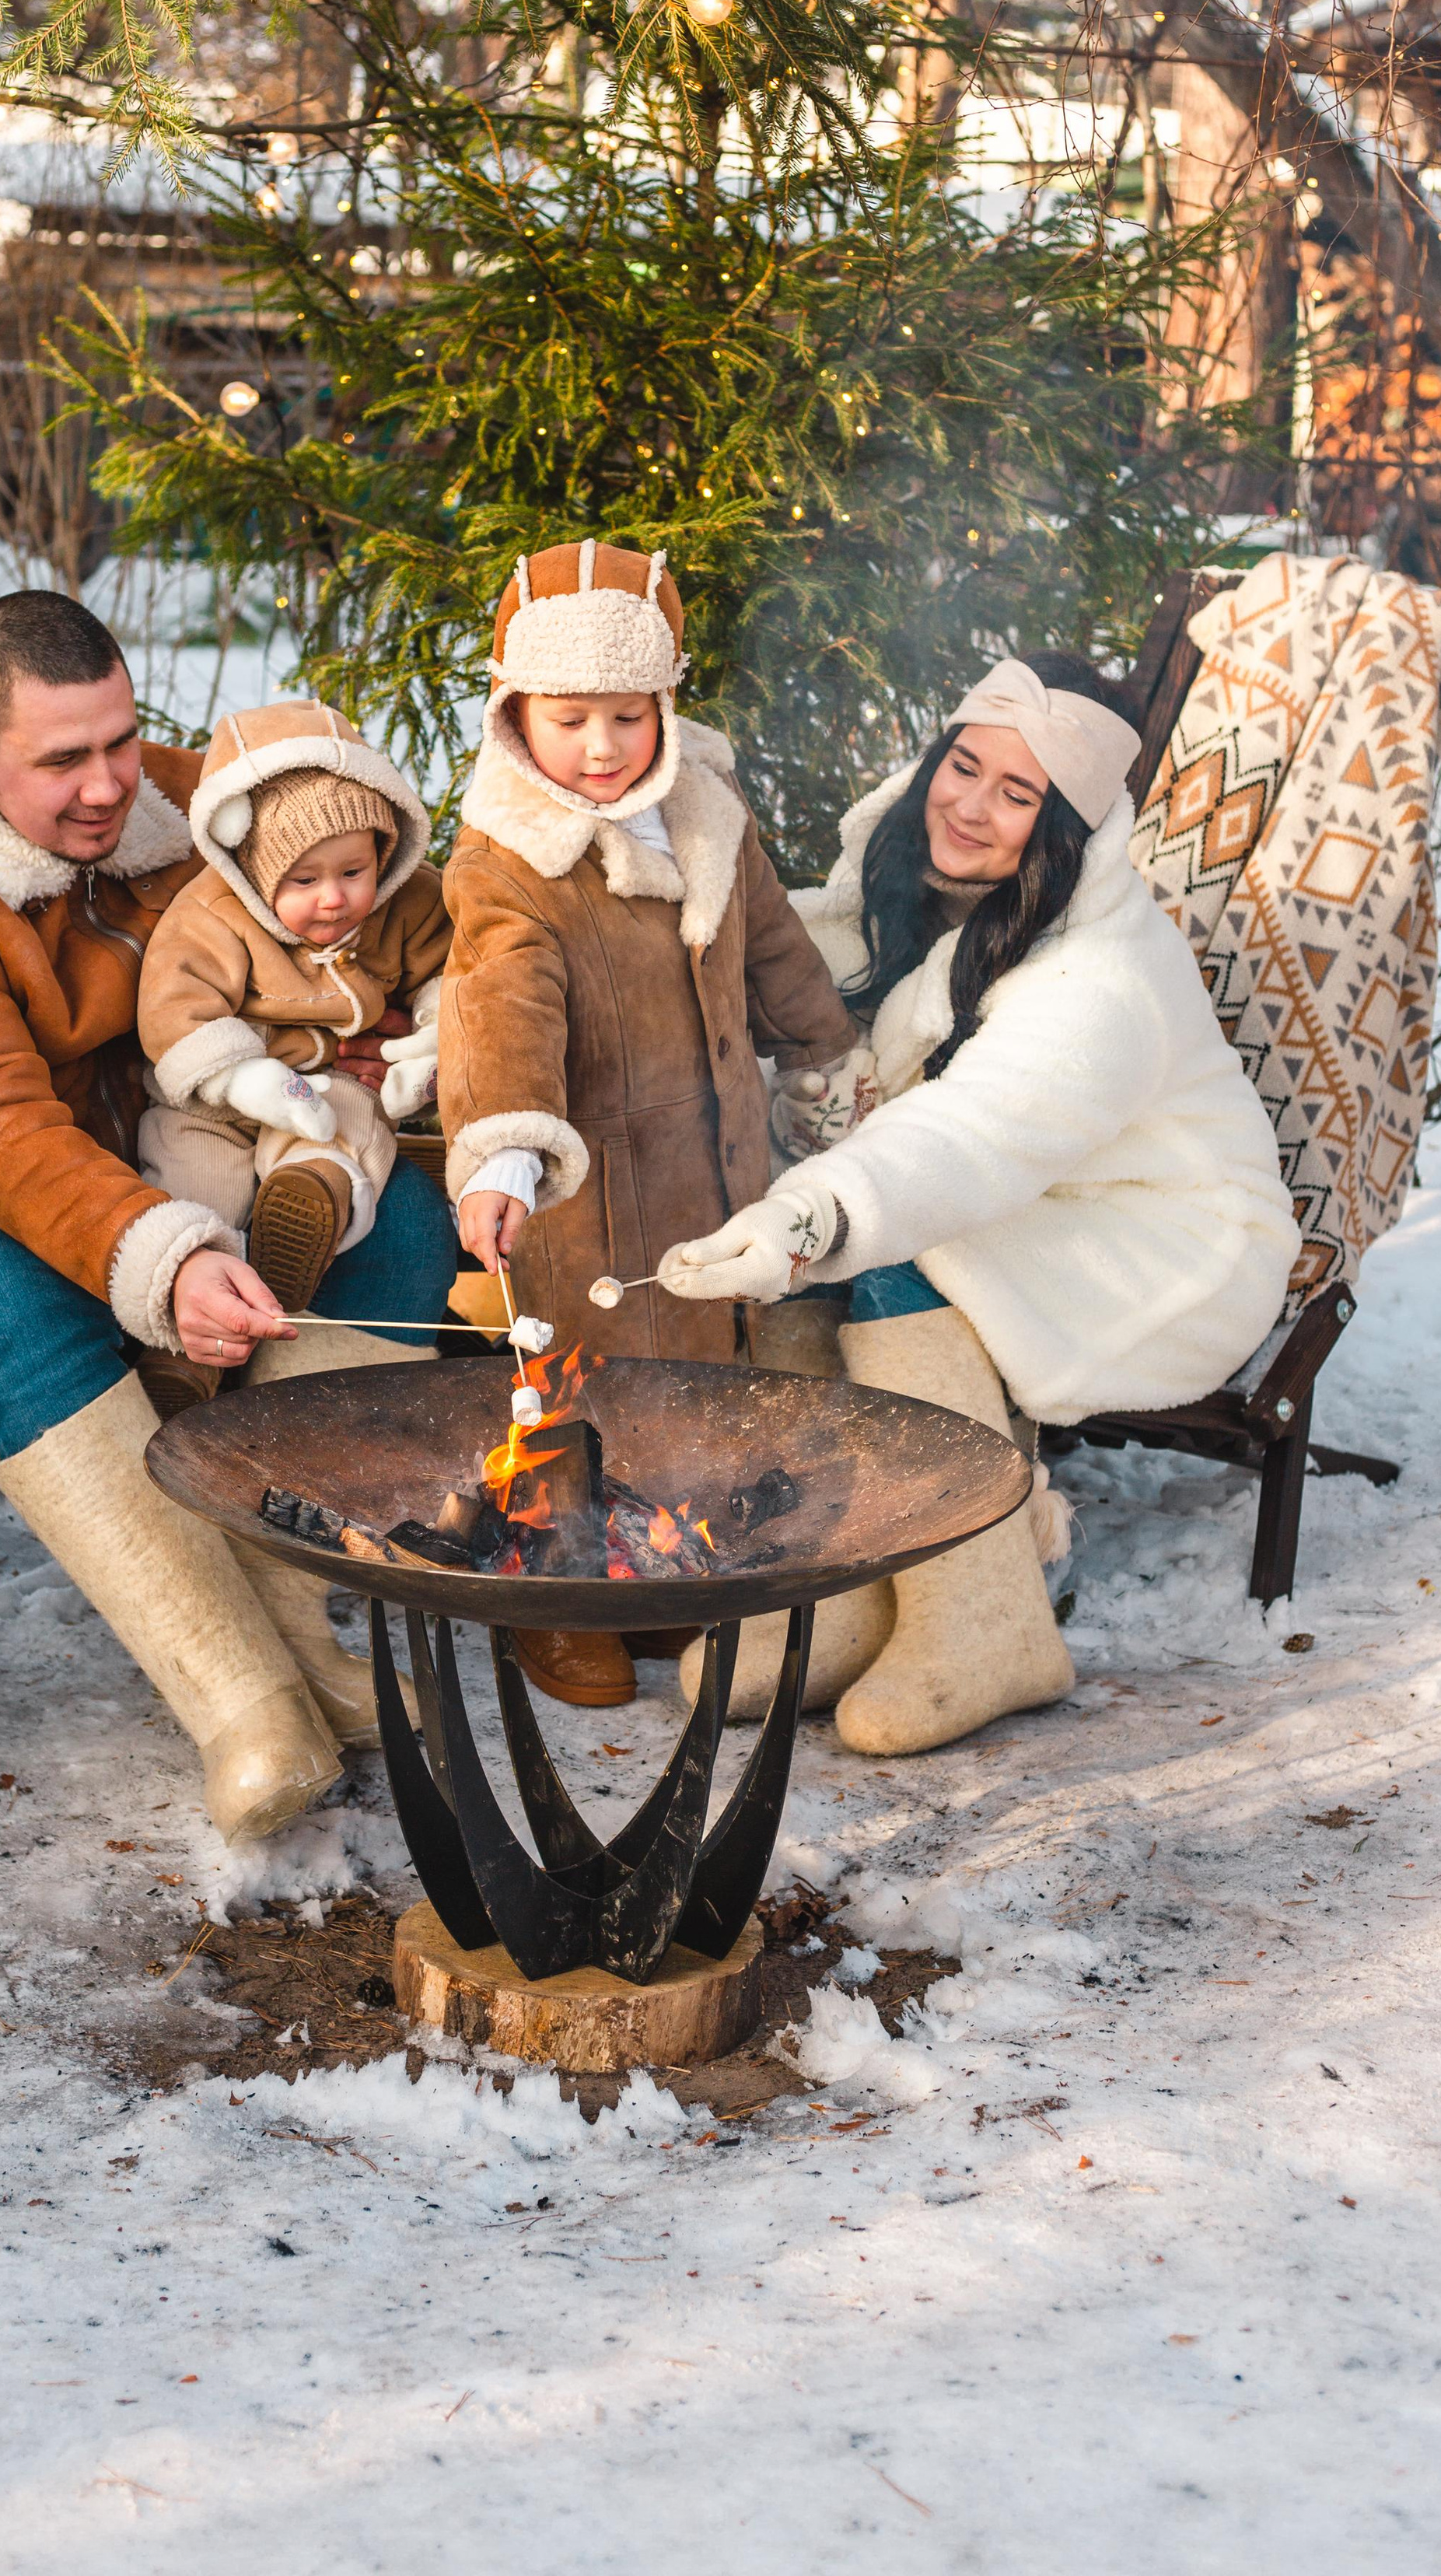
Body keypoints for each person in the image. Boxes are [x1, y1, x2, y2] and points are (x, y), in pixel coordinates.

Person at [0, 593, 456, 1842]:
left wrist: (369, 1037)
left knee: (405, 1218)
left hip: (183, 1163)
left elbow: (364, 877)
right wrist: (160, 1256)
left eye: (120, 738)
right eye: (64, 759)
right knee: (20, 1292)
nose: (110, 784)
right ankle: (245, 1699)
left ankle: (297, 1607)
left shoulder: (175, 806)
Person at [659, 651, 1299, 1756]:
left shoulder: (1102, 977)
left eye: (1020, 796)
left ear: (1065, 833)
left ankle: (986, 1617)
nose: (972, 807)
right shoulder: (904, 895)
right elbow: (802, 982)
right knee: (827, 1272)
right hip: (1032, 1194)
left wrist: (806, 1213)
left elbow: (973, 1135)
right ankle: (845, 1587)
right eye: (965, 768)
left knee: (905, 1261)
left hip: (1168, 1234)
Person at [437, 536, 857, 1710]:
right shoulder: (511, 859)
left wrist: (825, 1050)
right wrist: (507, 1150)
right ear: (518, 712)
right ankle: (555, 1604)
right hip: (591, 1197)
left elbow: (768, 940)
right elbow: (498, 1004)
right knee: (575, 1402)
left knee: (691, 1389)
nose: (604, 749)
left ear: (663, 702)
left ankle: (666, 1578)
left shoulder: (705, 805)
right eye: (570, 720)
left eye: (628, 715)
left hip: (712, 1165)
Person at [135, 702, 450, 1399]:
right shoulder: (214, 914)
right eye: (304, 881)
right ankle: (183, 1354)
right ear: (256, 872)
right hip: (217, 1094)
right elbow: (172, 1008)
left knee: (347, 1129)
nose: (334, 899)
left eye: (354, 872)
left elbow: (450, 975)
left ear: (384, 854)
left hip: (325, 1083)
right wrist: (240, 1076)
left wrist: (428, 1040)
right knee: (193, 1186)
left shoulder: (411, 904)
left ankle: (310, 1203)